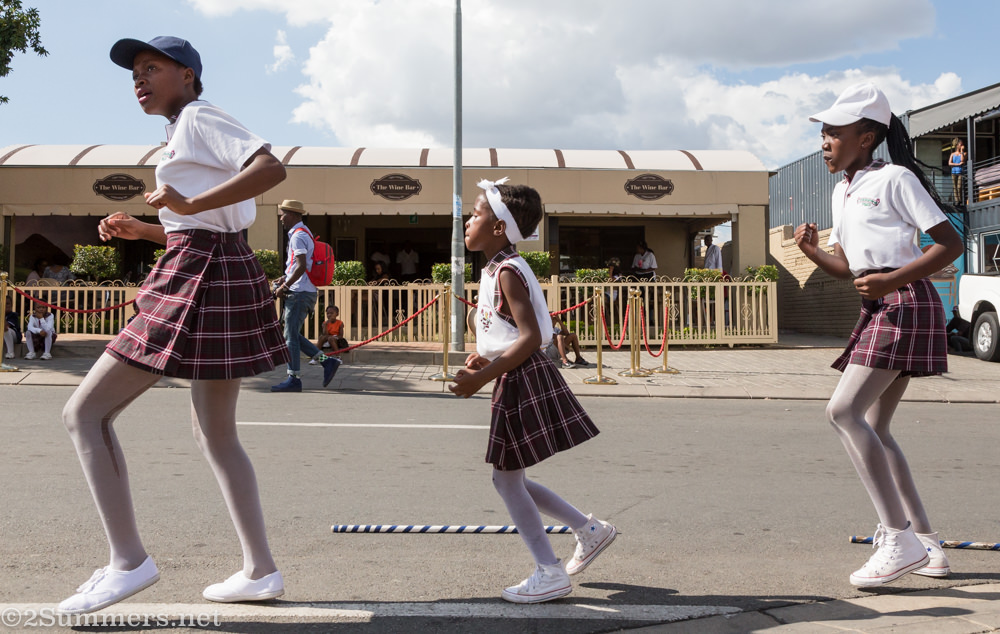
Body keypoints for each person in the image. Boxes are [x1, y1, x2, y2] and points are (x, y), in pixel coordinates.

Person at [57, 36, 291, 615]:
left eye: (151, 68)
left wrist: (184, 209)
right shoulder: (182, 129)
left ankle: (128, 562)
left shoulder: (199, 116)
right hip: (218, 261)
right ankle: (260, 571)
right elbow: (214, 222)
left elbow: (270, 167)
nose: (138, 79)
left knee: (84, 413)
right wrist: (150, 229)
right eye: (134, 72)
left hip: (199, 271)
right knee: (215, 433)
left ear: (187, 75)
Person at [795, 82, 963, 588]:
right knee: (875, 425)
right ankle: (927, 543)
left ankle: (898, 536)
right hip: (879, 305)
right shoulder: (841, 190)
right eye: (822, 133)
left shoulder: (895, 178)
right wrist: (810, 253)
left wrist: (894, 278)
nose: (824, 141)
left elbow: (950, 242)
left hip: (904, 302)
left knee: (843, 411)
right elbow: (848, 267)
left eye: (834, 132)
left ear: (867, 137)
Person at [450, 178, 616, 604]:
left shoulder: (506, 270)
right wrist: (484, 359)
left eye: (476, 214)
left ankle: (550, 571)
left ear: (499, 228)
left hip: (522, 375)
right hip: (515, 372)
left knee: (506, 479)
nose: (468, 220)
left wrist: (483, 378)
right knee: (511, 477)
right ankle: (588, 530)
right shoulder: (497, 267)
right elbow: (509, 333)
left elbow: (530, 336)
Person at [271, 199, 341, 392]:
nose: (281, 218)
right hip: (305, 291)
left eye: (283, 214)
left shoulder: (297, 236)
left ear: (293, 215)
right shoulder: (305, 233)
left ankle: (294, 378)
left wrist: (284, 286)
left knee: (290, 337)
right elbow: (299, 265)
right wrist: (284, 277)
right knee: (290, 334)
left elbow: (301, 266)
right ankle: (327, 362)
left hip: (299, 293)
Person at [3, 292, 21, 359]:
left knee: (5, 330)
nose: (6, 305)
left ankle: (10, 352)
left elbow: (6, 327)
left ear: (11, 304)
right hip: (3, 338)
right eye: (4, 303)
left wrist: (2, 314)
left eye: (8, 303)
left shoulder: (13, 315)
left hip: (14, 336)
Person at [949, 139, 966, 204]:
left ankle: (960, 199)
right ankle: (957, 200)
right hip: (954, 172)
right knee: (955, 186)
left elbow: (962, 159)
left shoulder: (963, 153)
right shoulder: (952, 154)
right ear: (957, 145)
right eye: (960, 145)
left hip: (960, 172)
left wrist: (961, 151)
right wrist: (957, 164)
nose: (961, 146)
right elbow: (950, 163)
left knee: (959, 186)